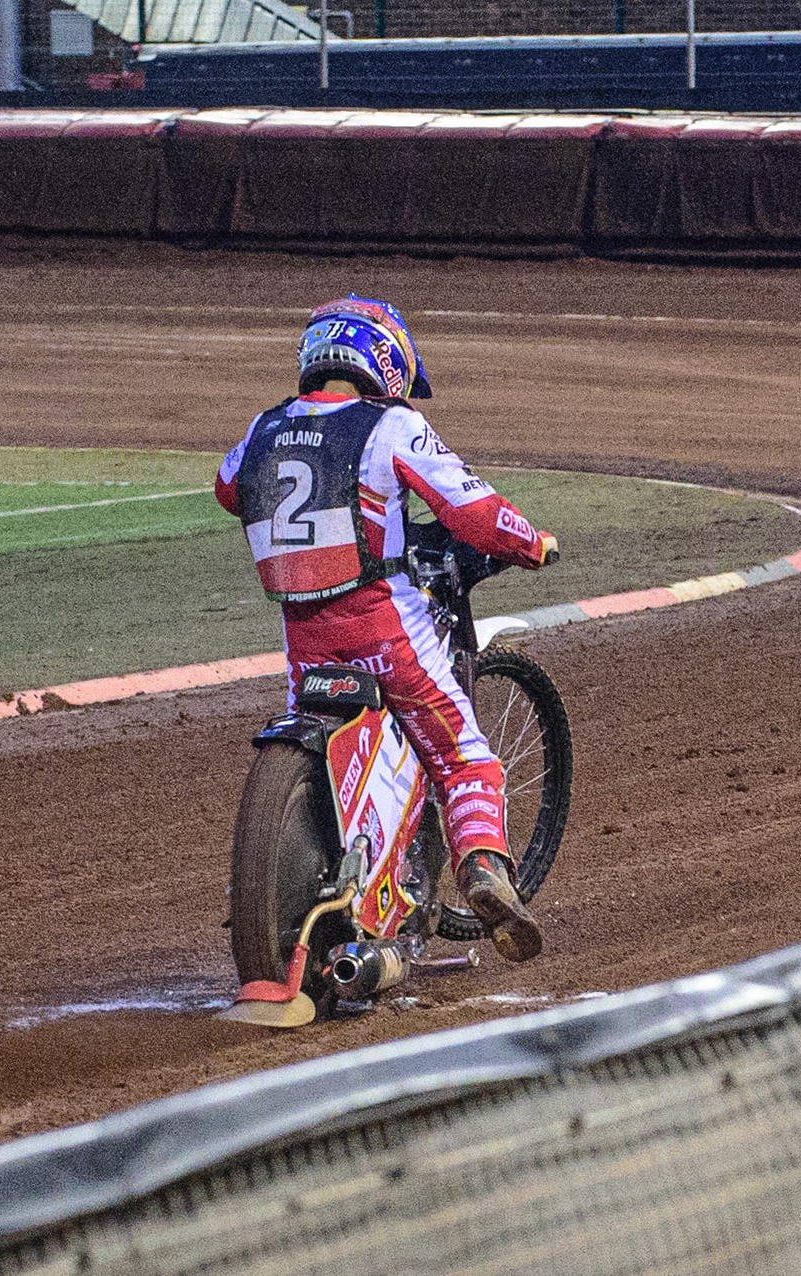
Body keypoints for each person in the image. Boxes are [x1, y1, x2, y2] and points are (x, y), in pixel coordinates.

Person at [215, 295, 557, 961]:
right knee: (466, 757)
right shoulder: (392, 425)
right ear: (387, 360)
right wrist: (531, 542)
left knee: (330, 754)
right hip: (385, 630)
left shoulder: (265, 425)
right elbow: (475, 513)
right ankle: (485, 870)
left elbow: (229, 489)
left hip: (303, 642)